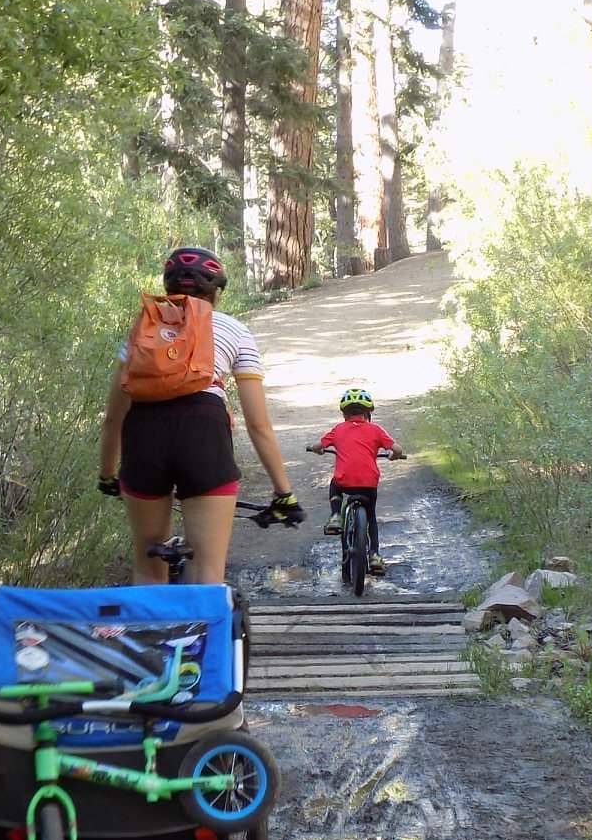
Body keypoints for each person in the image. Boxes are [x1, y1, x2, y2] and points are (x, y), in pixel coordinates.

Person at [96, 245, 301, 585]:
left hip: (144, 432)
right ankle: (205, 637)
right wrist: (284, 492)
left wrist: (107, 474)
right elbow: (258, 424)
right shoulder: (233, 330)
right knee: (207, 567)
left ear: (167, 287)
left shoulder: (141, 332)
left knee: (148, 561)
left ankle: (148, 636)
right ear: (216, 291)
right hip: (203, 430)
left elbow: (113, 417)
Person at [306, 387, 404, 577]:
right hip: (368, 483)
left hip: (344, 482)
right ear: (368, 413)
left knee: (334, 484)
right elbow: (397, 448)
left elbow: (319, 446)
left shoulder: (338, 429)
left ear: (344, 414)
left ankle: (335, 516)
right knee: (372, 517)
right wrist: (394, 456)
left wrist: (317, 449)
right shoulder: (376, 430)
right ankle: (374, 554)